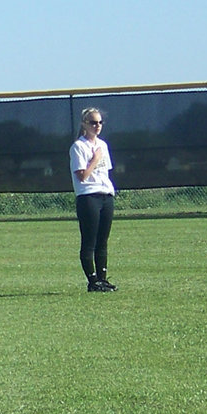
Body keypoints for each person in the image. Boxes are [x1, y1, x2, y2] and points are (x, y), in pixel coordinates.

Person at [69, 107, 117, 292]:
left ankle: (103, 279)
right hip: (88, 196)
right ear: (84, 124)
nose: (97, 126)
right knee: (90, 240)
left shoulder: (103, 145)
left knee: (102, 240)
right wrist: (95, 159)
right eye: (93, 122)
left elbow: (105, 172)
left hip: (105, 194)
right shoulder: (78, 147)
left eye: (99, 122)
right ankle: (92, 280)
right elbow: (83, 176)